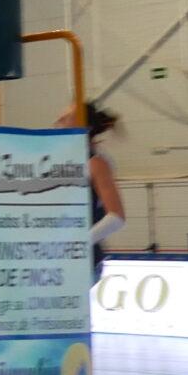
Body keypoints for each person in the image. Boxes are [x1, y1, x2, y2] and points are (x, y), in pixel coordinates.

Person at [81, 102, 125, 271]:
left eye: (65, 118)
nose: (58, 121)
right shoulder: (68, 161)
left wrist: (80, 244)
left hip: (85, 260)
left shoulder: (96, 162)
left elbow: (116, 217)